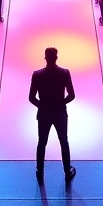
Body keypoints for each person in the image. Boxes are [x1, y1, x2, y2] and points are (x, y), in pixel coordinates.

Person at [28, 46, 76, 185]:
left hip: (44, 113)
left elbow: (31, 97)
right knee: (63, 141)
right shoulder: (64, 73)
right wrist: (61, 103)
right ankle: (67, 171)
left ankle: (40, 172)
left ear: (45, 58)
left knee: (42, 142)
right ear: (56, 57)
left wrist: (42, 105)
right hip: (60, 112)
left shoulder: (37, 75)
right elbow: (72, 95)